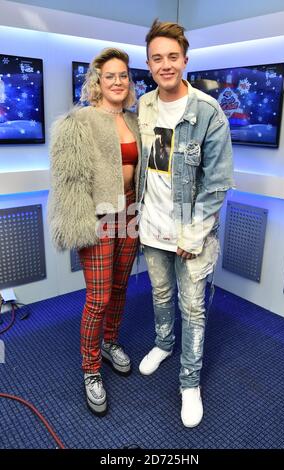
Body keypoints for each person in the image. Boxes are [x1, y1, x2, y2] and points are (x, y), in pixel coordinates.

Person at [137, 20, 234, 428]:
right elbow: (149, 167)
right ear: (149, 63)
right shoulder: (144, 105)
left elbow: (216, 184)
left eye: (172, 57)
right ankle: (162, 344)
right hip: (151, 225)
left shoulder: (208, 112)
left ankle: (189, 383)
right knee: (160, 293)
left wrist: (191, 235)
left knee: (191, 308)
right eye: (157, 58)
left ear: (185, 60)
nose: (165, 64)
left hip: (190, 233)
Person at [48, 48, 141, 416]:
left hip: (131, 209)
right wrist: (81, 223)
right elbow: (68, 181)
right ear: (97, 81)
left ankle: (110, 341)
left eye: (123, 76)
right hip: (98, 215)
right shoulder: (80, 121)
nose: (118, 82)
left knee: (120, 286)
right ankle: (90, 369)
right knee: (98, 297)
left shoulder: (135, 121)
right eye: (110, 76)